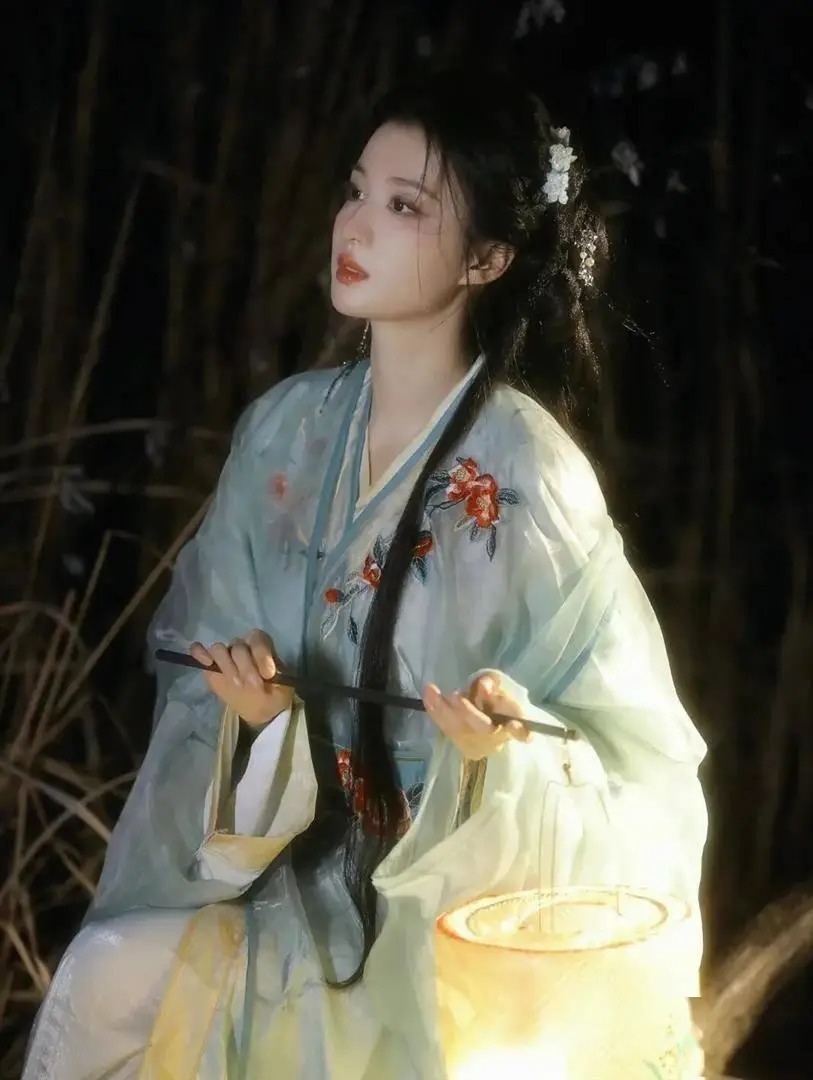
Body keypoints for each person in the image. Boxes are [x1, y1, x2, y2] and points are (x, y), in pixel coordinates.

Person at [23, 69, 708, 1078]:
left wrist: (499, 755)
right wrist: (260, 726)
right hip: (282, 879)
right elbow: (195, 674)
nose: (356, 224)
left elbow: (630, 760)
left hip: (440, 909)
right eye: (356, 191)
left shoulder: (530, 475)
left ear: (486, 258)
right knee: (104, 975)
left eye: (403, 206)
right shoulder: (282, 434)